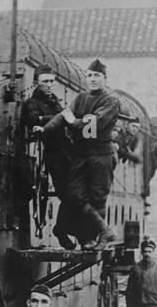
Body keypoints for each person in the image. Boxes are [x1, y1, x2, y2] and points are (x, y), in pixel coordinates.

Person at [45, 59, 120, 248]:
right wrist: (44, 129)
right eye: (89, 75)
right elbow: (63, 115)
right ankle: (105, 231)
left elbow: (92, 126)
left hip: (102, 155)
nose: (92, 79)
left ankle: (92, 238)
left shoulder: (110, 100)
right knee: (73, 195)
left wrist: (72, 122)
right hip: (82, 155)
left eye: (97, 76)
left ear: (105, 78)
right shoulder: (81, 98)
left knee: (97, 198)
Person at [21, 66, 73, 234]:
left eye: (51, 81)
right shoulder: (32, 103)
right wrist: (61, 118)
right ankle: (62, 230)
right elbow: (32, 119)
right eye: (45, 82)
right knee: (67, 195)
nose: (49, 85)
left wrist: (49, 119)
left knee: (75, 194)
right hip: (52, 154)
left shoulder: (55, 102)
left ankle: (64, 229)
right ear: (37, 82)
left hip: (65, 153)